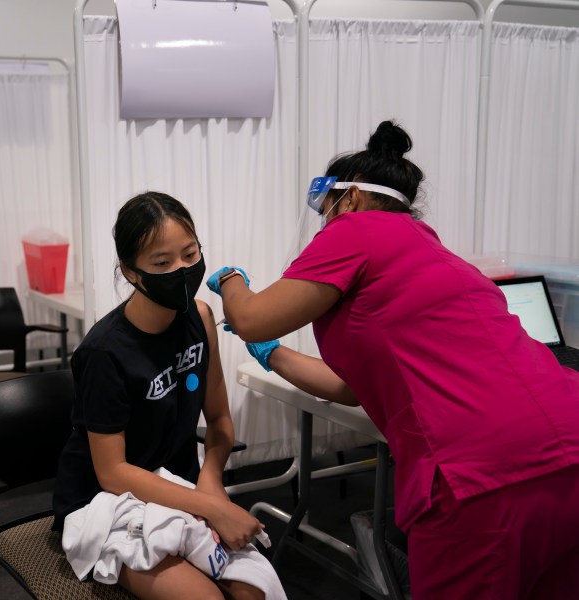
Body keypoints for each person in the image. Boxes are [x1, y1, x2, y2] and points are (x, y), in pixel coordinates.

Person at [208, 120, 579, 599]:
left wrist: (232, 281)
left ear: (352, 197)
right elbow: (353, 387)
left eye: (326, 210)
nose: (323, 223)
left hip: (483, 474)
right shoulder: (430, 248)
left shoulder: (355, 229)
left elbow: (255, 317)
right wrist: (273, 356)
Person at [52, 192, 285, 600]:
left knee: (254, 594)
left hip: (179, 485)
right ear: (131, 272)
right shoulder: (104, 353)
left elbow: (220, 423)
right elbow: (113, 473)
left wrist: (210, 484)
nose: (181, 270)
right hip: (105, 502)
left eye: (190, 255)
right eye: (162, 263)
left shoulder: (202, 317)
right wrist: (210, 507)